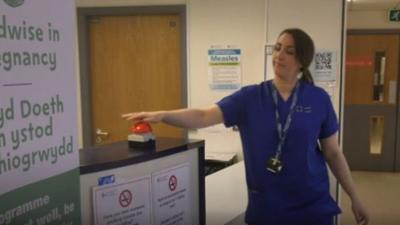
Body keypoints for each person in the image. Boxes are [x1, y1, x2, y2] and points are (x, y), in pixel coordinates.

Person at [122, 28, 369, 225]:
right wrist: (163, 115)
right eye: (277, 48)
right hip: (268, 208)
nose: (279, 55)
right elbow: (203, 116)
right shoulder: (250, 98)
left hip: (312, 206)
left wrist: (355, 197)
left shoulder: (318, 99)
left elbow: (333, 153)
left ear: (302, 61)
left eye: (289, 51)